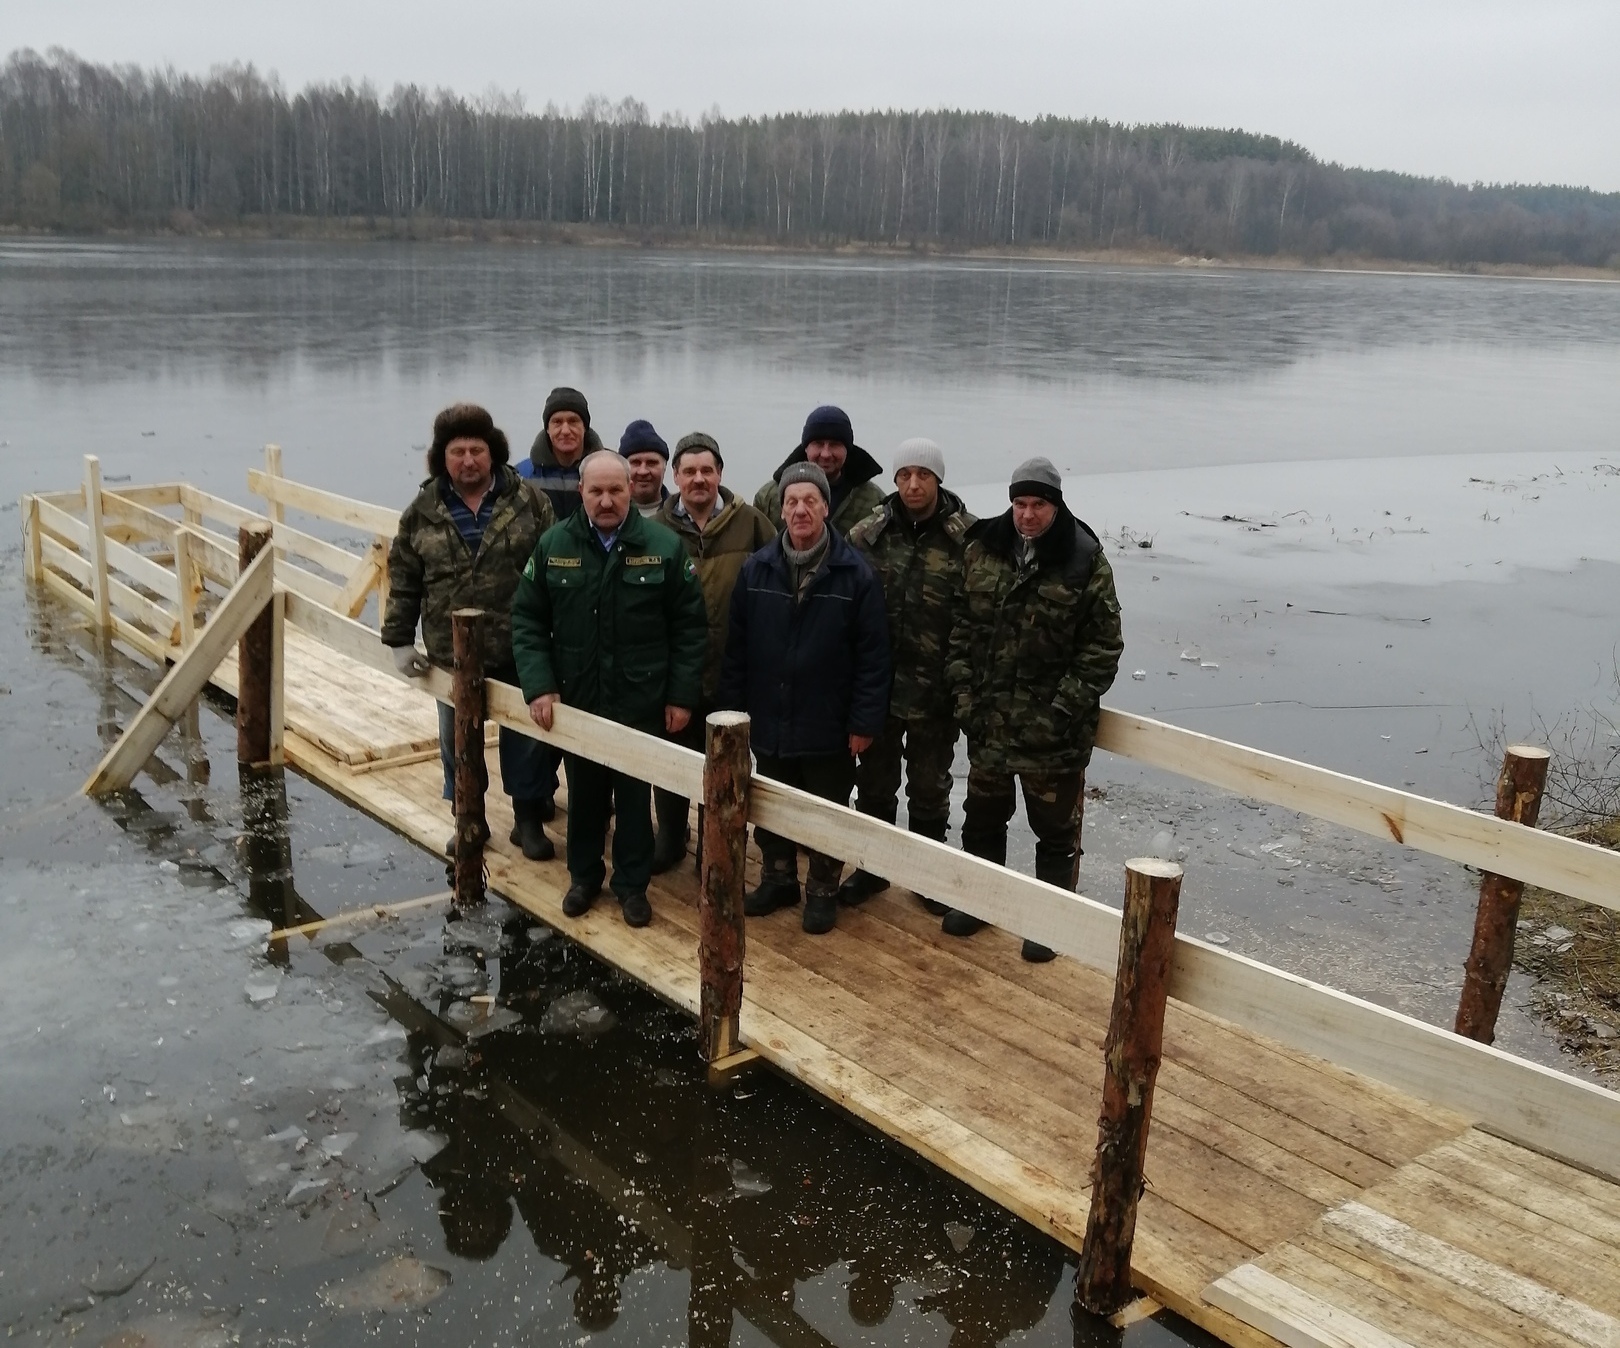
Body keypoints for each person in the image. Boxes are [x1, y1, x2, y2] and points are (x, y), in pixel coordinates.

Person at [511, 452, 706, 927]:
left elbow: (690, 629)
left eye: (615, 491)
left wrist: (681, 697)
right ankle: (583, 878)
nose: (606, 500)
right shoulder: (555, 545)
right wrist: (539, 687)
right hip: (579, 701)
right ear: (581, 492)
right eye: (596, 491)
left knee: (636, 801)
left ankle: (632, 886)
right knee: (584, 798)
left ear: (630, 492)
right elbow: (528, 620)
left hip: (641, 702)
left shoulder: (662, 547)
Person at [946, 457, 1123, 962]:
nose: (1027, 515)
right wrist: (963, 696)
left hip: (1055, 732)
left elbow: (1102, 647)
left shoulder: (1084, 558)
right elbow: (959, 627)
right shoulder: (983, 547)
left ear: (1056, 504)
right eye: (1020, 503)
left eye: (1038, 505)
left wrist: (1063, 709)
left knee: (1055, 830)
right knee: (981, 819)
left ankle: (1050, 921)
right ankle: (979, 903)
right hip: (990, 722)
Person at [382, 403, 558, 862]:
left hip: (521, 646)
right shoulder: (421, 512)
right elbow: (403, 578)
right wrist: (399, 641)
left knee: (528, 742)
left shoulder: (531, 502)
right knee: (457, 745)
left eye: (476, 450)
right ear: (443, 457)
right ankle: (468, 820)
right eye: (457, 451)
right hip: (451, 654)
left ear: (493, 452)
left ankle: (527, 820)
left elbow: (556, 572)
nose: (468, 461)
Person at [719, 462, 890, 935]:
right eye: (791, 502)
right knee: (771, 804)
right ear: (781, 509)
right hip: (770, 717)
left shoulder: (855, 575)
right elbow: (737, 650)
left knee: (826, 807)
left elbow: (874, 658)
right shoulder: (757, 569)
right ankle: (778, 879)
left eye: (809, 502)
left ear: (825, 509)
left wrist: (864, 722)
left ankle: (821, 890)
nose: (799, 510)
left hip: (828, 720)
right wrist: (734, 714)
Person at [843, 438, 975, 910]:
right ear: (895, 480)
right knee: (874, 784)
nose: (913, 484)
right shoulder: (866, 535)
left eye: (923, 475)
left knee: (929, 787)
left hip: (936, 691)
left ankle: (927, 877)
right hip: (878, 688)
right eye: (904, 475)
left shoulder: (970, 540)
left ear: (939, 479)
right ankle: (872, 870)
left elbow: (980, 616)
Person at [651, 432, 777, 871]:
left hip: (734, 671)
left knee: (727, 768)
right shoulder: (656, 530)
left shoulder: (754, 525)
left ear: (720, 473)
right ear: (676, 477)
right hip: (674, 673)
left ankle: (719, 846)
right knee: (670, 760)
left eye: (707, 470)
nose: (699, 479)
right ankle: (669, 836)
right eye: (689, 471)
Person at [753, 405, 885, 536]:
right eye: (818, 444)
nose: (825, 454)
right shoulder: (769, 498)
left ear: (848, 449)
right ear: (805, 447)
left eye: (834, 444)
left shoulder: (874, 501)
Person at [518, 386, 602, 519]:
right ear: (547, 428)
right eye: (557, 422)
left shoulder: (607, 471)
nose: (565, 431)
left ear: (585, 427)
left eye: (573, 421)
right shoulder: (523, 474)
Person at [619, 420, 672, 518]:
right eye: (635, 463)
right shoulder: (610, 514)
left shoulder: (682, 514)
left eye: (651, 463)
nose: (643, 471)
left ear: (664, 468)